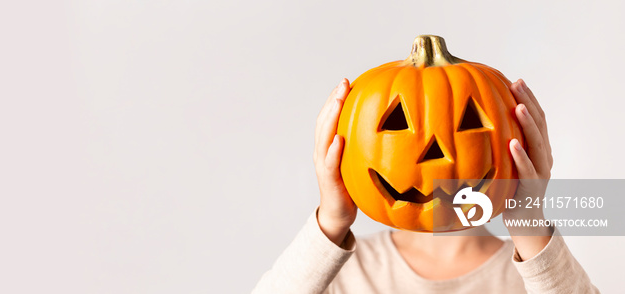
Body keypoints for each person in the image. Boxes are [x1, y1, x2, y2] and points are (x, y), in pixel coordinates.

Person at [252, 79, 599, 293]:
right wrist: (330, 220)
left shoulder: (536, 276)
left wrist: (529, 221)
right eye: (397, 123)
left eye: (469, 122)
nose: (437, 154)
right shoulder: (341, 272)